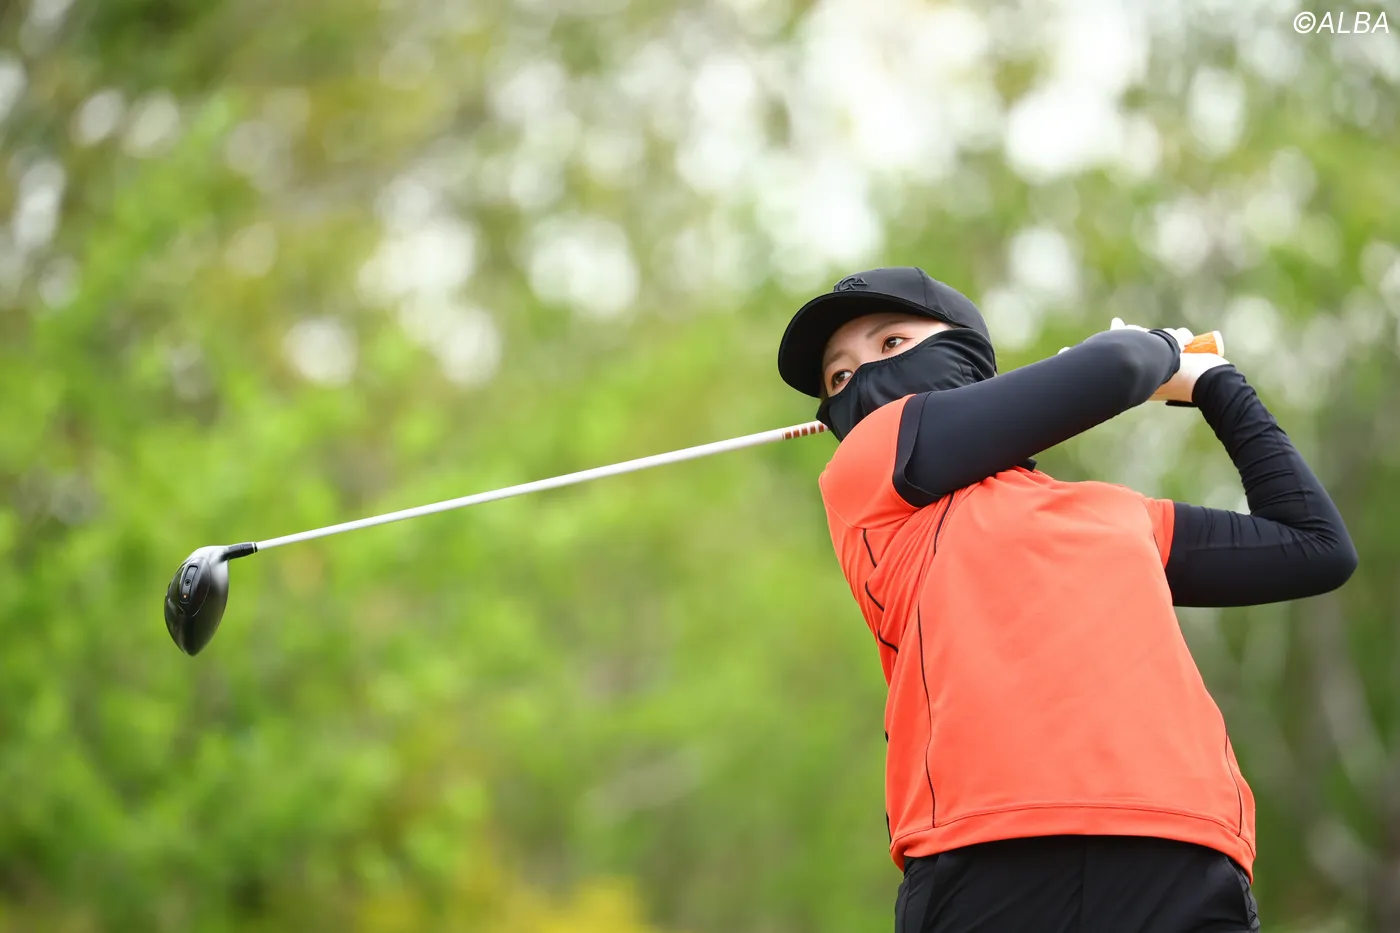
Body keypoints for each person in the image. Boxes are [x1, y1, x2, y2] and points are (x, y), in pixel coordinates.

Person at [776, 267, 1357, 933]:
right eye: (840, 377)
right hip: (986, 855)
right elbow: (1119, 366)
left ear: (964, 354)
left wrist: (1216, 383)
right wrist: (1167, 346)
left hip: (1183, 848)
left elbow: (1315, 546)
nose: (865, 381)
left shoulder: (1116, 511)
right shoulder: (866, 473)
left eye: (891, 344)